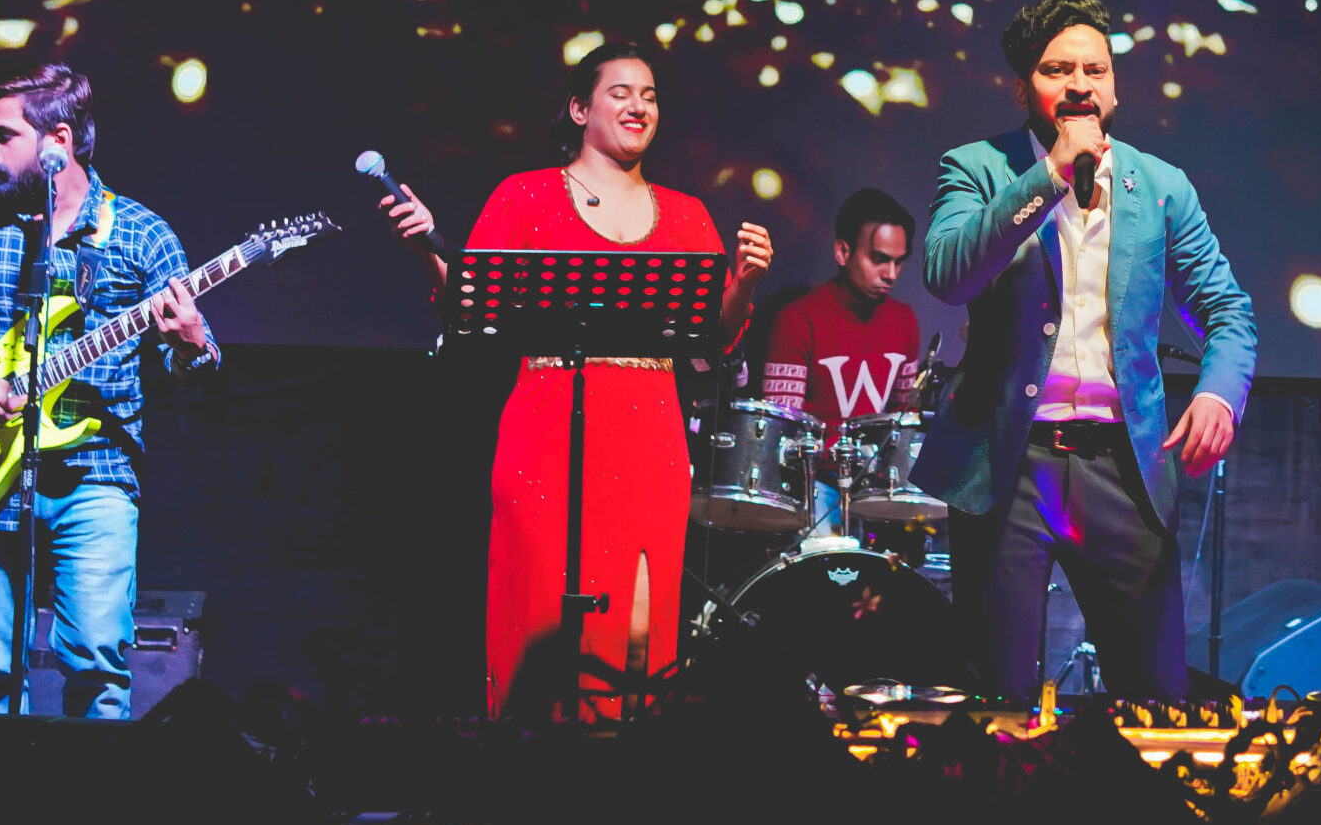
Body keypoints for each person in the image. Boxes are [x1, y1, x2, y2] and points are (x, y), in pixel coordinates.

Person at [380, 40, 771, 717]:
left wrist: (747, 284)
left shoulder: (686, 215)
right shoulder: (525, 194)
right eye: (621, 92)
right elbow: (471, 308)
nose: (638, 106)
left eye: (649, 95)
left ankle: (620, 776)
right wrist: (425, 249)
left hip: (649, 439)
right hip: (547, 434)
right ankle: (533, 773)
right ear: (579, 109)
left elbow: (714, 338)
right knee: (544, 627)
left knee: (638, 635)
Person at [913, 0, 1257, 700]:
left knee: (1155, 701)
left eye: (1095, 70)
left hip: (1122, 465)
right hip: (1008, 463)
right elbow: (948, 272)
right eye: (1057, 69)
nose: (1079, 85)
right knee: (1000, 704)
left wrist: (1219, 394)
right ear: (1022, 88)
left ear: (1114, 86)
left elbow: (1227, 310)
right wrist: (1047, 177)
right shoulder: (977, 166)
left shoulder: (1160, 186)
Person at [0, 64, 219, 717]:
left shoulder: (141, 234)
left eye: (2, 135)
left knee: (97, 664)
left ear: (56, 142)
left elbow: (195, 366)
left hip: (95, 473)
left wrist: (189, 340)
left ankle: (88, 790)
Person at [763, 188, 924, 538]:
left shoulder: (904, 321)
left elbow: (901, 417)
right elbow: (782, 432)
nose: (891, 273)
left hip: (879, 490)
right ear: (842, 252)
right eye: (879, 259)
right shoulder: (798, 319)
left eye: (899, 262)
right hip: (814, 486)